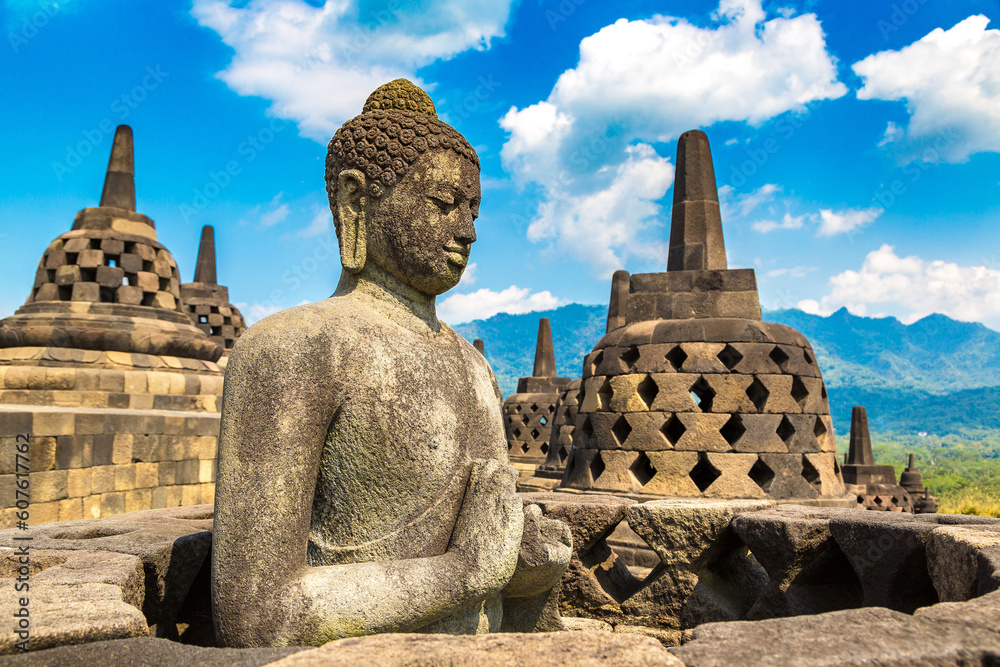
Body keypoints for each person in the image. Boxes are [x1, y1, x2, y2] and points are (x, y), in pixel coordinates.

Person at [212, 79, 570, 648]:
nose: (468, 230)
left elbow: (490, 580)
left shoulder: (479, 372)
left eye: (474, 209)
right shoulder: (293, 350)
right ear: (358, 200)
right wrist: (463, 573)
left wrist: (521, 564)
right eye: (445, 204)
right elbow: (255, 613)